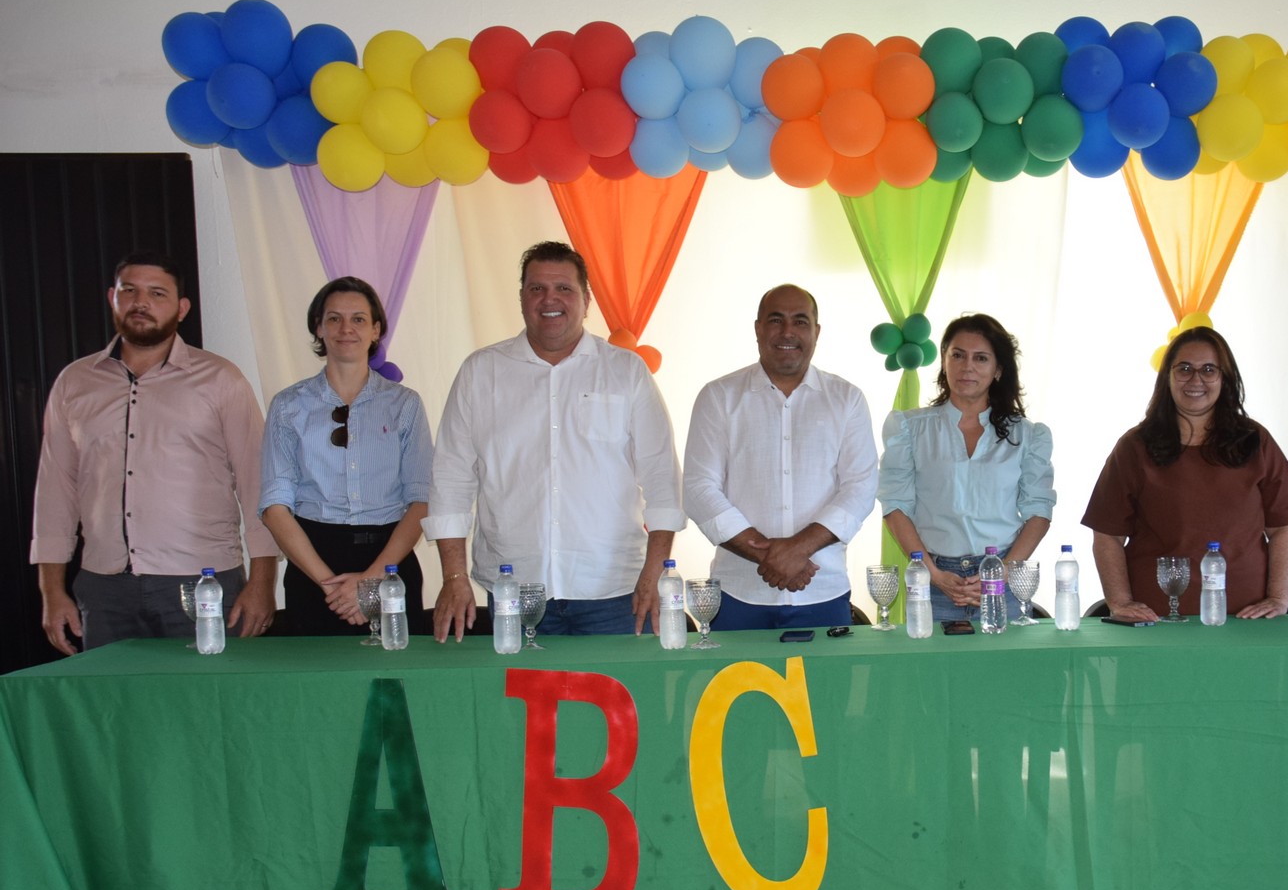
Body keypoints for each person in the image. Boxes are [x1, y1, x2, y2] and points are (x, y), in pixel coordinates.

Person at [424, 241, 683, 640]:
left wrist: (654, 572)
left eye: (564, 288)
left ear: (586, 300)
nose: (550, 299)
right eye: (536, 289)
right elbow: (451, 480)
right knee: (521, 703)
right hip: (514, 590)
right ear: (522, 298)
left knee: (623, 701)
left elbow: (663, 478)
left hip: (615, 593)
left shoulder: (625, 372)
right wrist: (454, 575)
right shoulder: (482, 372)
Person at [31, 252, 278, 653]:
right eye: (130, 291)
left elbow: (258, 483)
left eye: (157, 293)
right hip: (104, 587)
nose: (140, 303)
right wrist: (51, 590)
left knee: (202, 706)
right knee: (113, 709)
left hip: (203, 583)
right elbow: (55, 490)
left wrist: (263, 581)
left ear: (181, 309)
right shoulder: (75, 382)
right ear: (113, 297)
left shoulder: (220, 380)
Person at [684, 284, 878, 630]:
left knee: (826, 687)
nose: (788, 332)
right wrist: (772, 557)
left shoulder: (846, 399)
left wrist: (798, 550)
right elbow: (699, 489)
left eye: (800, 322)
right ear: (758, 328)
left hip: (823, 591)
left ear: (816, 332)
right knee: (737, 687)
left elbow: (860, 489)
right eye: (776, 320)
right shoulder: (718, 397)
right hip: (738, 594)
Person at [1082, 326, 1288, 620]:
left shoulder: (1254, 440)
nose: (1196, 379)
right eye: (1184, 368)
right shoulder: (1135, 447)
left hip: (1246, 619)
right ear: (1167, 377)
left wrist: (1279, 597)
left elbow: (1285, 528)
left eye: (1209, 369)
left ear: (1224, 379)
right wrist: (1119, 601)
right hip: (1158, 620)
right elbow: (1107, 536)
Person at [259, 277, 433, 635]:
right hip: (314, 566)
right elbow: (275, 507)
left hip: (389, 563)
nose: (346, 329)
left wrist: (370, 582)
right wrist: (331, 587)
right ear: (319, 328)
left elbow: (422, 501)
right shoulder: (289, 406)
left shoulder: (404, 404)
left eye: (358, 319)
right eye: (334, 319)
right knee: (316, 685)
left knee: (395, 682)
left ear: (375, 330)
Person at [878, 313, 1055, 622]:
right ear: (944, 361)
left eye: (981, 358)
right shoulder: (909, 428)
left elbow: (1038, 512)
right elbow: (895, 506)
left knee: (1004, 670)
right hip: (935, 581)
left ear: (998, 370)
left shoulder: (1027, 435)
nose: (967, 366)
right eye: (957, 355)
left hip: (1003, 577)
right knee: (936, 671)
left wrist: (1000, 573)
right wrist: (932, 573)